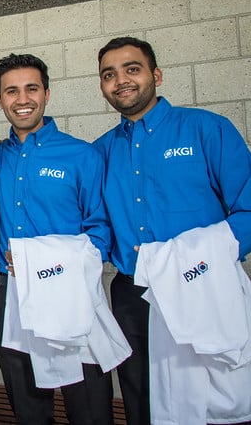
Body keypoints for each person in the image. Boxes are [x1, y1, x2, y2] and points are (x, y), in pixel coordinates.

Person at [94, 37, 251, 425]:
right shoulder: (99, 152)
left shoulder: (206, 129)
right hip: (134, 293)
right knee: (143, 401)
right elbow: (90, 224)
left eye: (132, 69)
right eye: (109, 74)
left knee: (221, 400)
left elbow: (248, 208)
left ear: (156, 75)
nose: (121, 81)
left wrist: (202, 259)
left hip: (204, 284)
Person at [0, 53, 114, 424]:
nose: (22, 99)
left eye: (31, 88)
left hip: (70, 292)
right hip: (12, 292)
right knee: (28, 406)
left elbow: (100, 231)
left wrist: (48, 259)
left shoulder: (81, 155)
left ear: (47, 93)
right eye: (11, 91)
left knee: (88, 404)